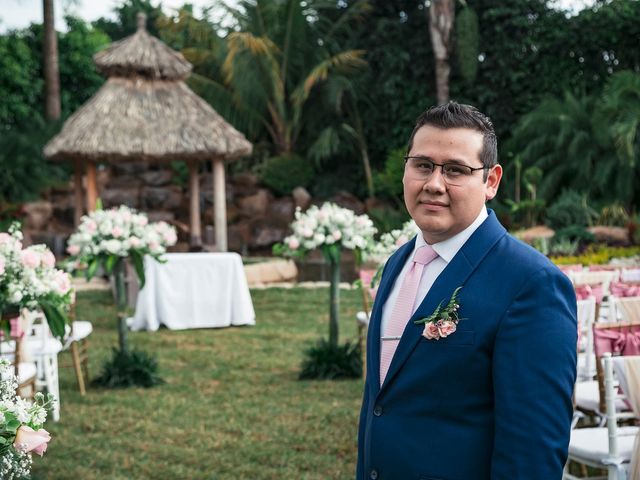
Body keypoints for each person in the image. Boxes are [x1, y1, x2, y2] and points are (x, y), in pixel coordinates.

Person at [357, 101, 577, 480]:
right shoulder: (398, 263)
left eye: (456, 170)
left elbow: (533, 452)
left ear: (491, 181)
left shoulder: (531, 283)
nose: (434, 184)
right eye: (422, 165)